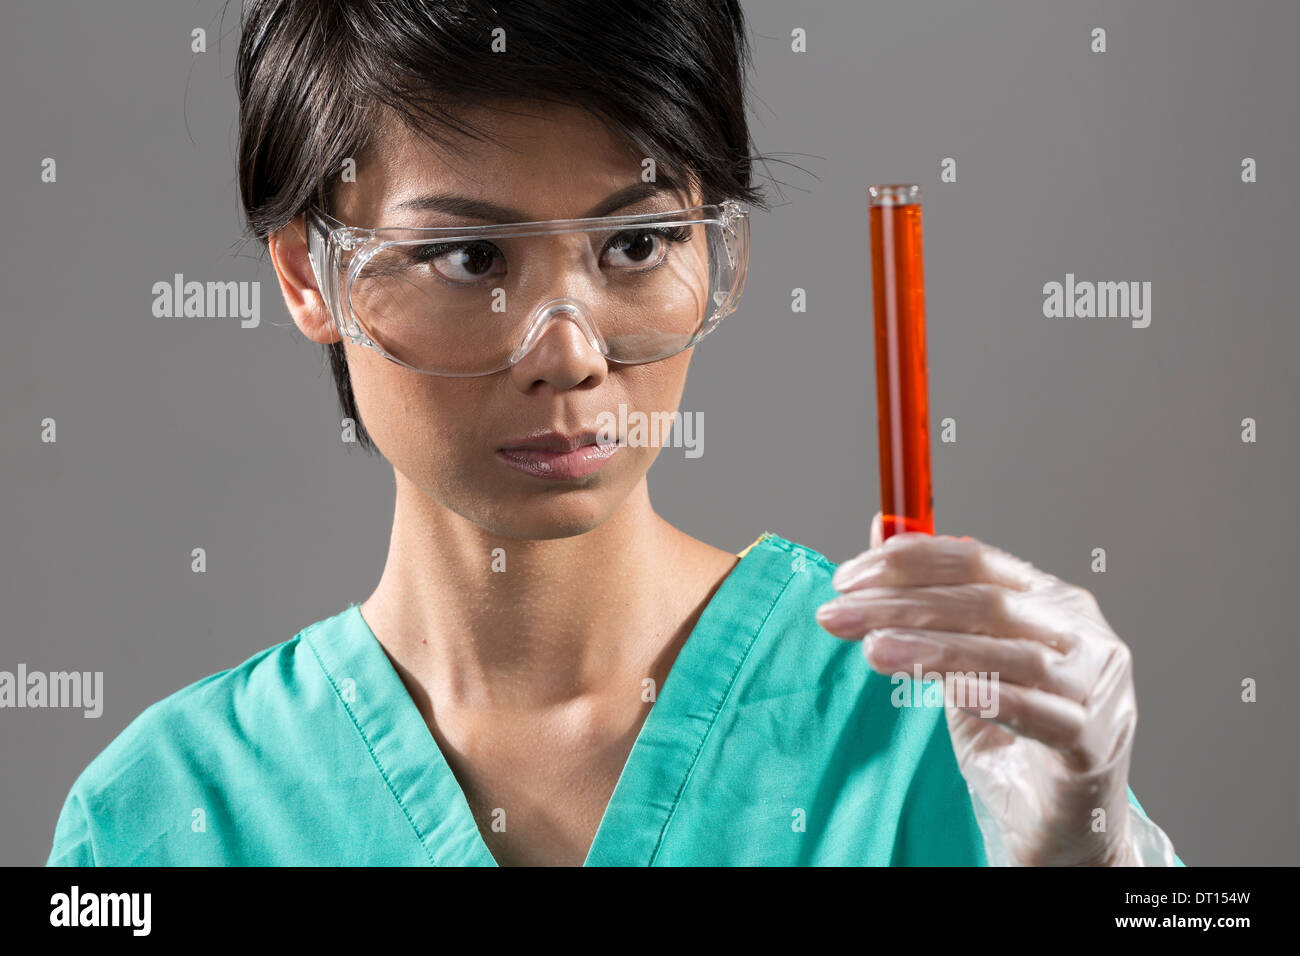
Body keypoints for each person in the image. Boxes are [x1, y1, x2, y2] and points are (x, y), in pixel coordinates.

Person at [46, 0, 1181, 866]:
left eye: (634, 245)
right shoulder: (162, 815)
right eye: (471, 258)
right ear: (309, 273)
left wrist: (1097, 869)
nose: (572, 353)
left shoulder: (927, 733)